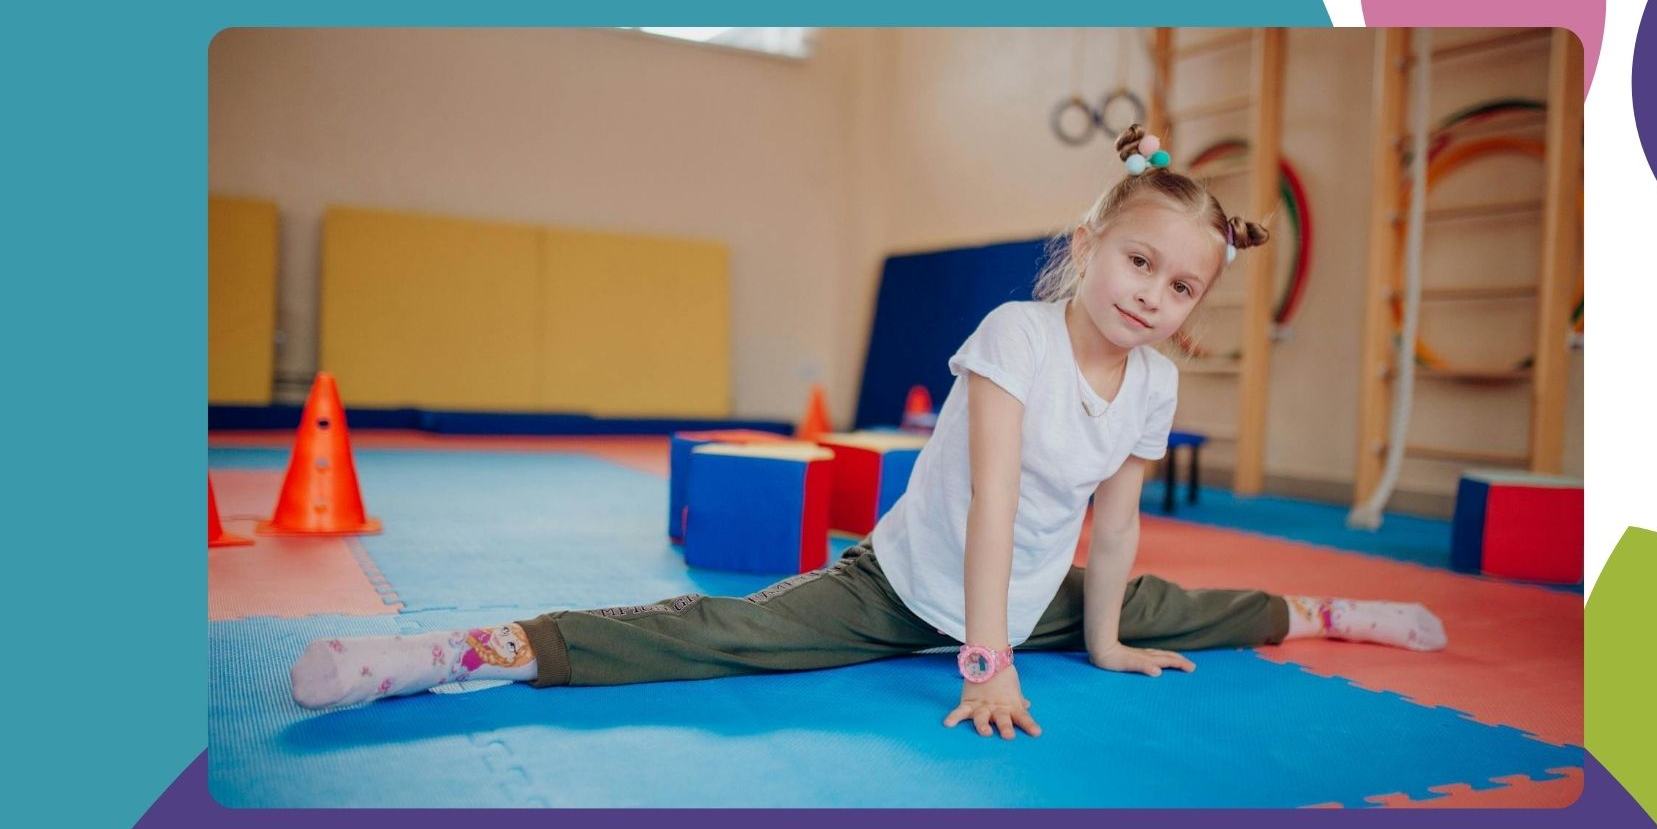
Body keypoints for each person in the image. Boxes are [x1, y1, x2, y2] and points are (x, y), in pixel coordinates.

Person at [288, 125, 1446, 738]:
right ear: (1091, 247)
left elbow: (1120, 525)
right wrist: (983, 666)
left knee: (1165, 608)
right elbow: (991, 504)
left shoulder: (1148, 386)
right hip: (904, 583)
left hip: (1035, 586)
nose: (1152, 295)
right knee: (717, 633)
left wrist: (1094, 644)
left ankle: (1333, 613)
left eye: (1182, 286)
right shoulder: (1013, 336)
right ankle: (454, 656)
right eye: (1139, 261)